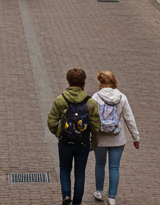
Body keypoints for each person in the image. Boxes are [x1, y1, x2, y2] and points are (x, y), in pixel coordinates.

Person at [47, 68, 100, 205]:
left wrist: (59, 133)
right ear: (84, 81)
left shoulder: (61, 100)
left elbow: (51, 122)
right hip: (83, 143)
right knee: (80, 173)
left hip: (65, 142)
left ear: (68, 81)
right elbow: (96, 126)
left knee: (64, 169)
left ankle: (66, 194)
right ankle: (77, 202)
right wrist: (93, 142)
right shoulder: (90, 102)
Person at [91, 70, 140, 205]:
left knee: (99, 164)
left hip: (100, 139)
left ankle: (99, 191)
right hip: (117, 138)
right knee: (114, 167)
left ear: (100, 82)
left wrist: (90, 136)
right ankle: (111, 197)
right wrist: (136, 137)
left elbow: (92, 119)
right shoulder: (121, 97)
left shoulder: (95, 97)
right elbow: (129, 118)